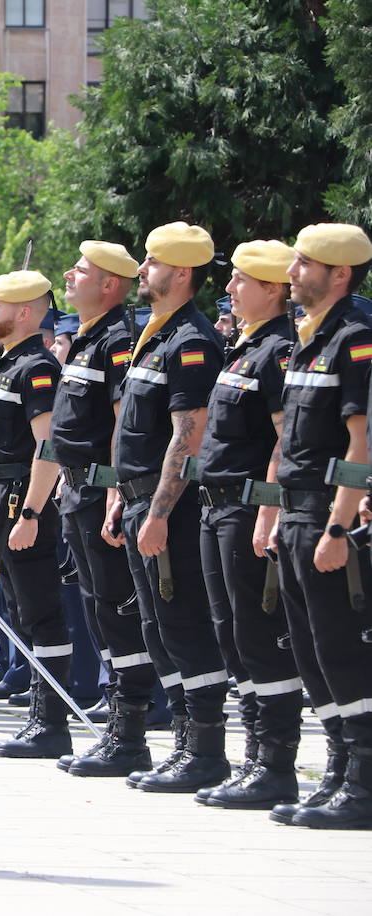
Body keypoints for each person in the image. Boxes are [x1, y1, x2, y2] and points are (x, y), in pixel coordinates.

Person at [106, 221, 230, 793]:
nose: (142, 271)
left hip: (169, 510)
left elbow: (190, 436)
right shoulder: (155, 335)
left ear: (180, 273)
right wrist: (122, 499)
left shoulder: (192, 341)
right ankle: (183, 743)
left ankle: (205, 749)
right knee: (157, 628)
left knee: (182, 626)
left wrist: (156, 512)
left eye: (151, 262)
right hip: (137, 503)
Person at [268, 223, 372, 829]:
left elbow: (361, 443)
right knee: (313, 653)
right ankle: (336, 770)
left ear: (340, 274)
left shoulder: (356, 340)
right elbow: (292, 442)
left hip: (329, 521)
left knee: (342, 650)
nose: (292, 272)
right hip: (297, 512)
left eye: (304, 264)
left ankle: (362, 782)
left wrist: (337, 530)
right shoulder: (309, 341)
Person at [193, 239, 303, 809]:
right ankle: (254, 757)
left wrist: (268, 509)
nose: (229, 289)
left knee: (259, 636)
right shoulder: (244, 349)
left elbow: (286, 437)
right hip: (218, 507)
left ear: (272, 289)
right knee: (230, 633)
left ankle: (275, 763)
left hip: (246, 508)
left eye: (240, 281)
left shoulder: (278, 351)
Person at [50, 240, 161, 779]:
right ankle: (118, 730)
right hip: (78, 492)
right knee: (99, 611)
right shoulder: (89, 339)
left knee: (118, 612)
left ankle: (130, 735)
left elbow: (122, 422)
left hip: (101, 493)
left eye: (82, 270)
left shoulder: (117, 341)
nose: (69, 276)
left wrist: (115, 492)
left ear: (111, 285)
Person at [0, 270, 72, 759]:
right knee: (22, 614)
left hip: (21, 505)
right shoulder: (8, 364)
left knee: (40, 613)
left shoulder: (37, 367)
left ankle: (51, 723)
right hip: (0, 497)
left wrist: (31, 511)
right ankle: (39, 716)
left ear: (25, 313)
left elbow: (48, 445)